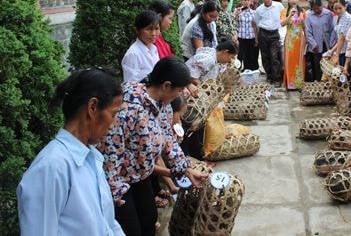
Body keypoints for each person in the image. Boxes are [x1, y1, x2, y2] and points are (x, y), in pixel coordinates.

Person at [100, 56, 208, 236]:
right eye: (179, 90)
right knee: (131, 229)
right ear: (166, 86)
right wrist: (114, 191)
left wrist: (187, 170)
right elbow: (112, 150)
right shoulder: (128, 107)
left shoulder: (163, 105)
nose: (180, 94)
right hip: (121, 180)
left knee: (149, 219)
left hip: (141, 176)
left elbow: (168, 139)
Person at [17, 68, 125, 236]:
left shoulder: (91, 158)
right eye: (113, 114)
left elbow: (107, 224)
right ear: (93, 107)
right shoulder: (51, 168)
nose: (113, 124)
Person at [182, 40, 239, 159]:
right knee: (192, 127)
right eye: (231, 57)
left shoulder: (215, 59)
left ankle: (197, 153)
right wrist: (205, 87)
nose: (230, 61)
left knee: (199, 126)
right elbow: (190, 75)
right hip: (191, 96)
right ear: (225, 52)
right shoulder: (208, 59)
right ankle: (191, 156)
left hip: (199, 96)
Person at [255, 0, 284, 87]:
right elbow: (257, 23)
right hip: (263, 34)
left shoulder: (279, 6)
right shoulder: (259, 9)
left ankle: (277, 78)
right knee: (265, 56)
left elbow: (283, 18)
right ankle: (269, 76)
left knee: (274, 57)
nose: (266, 0)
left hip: (274, 34)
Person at [122, 10, 160, 83]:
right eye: (149, 29)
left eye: (156, 29)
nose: (154, 33)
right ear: (137, 30)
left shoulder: (154, 48)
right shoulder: (133, 54)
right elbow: (131, 86)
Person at [305, 0, 336, 81]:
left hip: (327, 43)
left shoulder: (328, 14)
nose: (316, 10)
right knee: (316, 65)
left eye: (318, 8)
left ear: (321, 6)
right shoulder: (309, 15)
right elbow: (308, 32)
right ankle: (318, 82)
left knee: (328, 64)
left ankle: (327, 82)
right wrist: (314, 44)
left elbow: (332, 29)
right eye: (314, 9)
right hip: (315, 45)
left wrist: (331, 43)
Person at [280, 0, 307, 89]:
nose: (294, 0)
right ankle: (290, 84)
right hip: (290, 40)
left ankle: (299, 84)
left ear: (298, 0)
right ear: (288, 0)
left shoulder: (303, 11)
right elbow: (282, 24)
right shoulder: (284, 11)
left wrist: (307, 38)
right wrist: (289, 15)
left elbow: (305, 27)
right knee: (289, 60)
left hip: (300, 40)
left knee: (299, 61)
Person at [235, 0, 259, 71]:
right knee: (240, 55)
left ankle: (249, 71)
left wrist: (256, 39)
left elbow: (255, 26)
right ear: (241, 1)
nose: (246, 2)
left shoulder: (254, 12)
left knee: (250, 55)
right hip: (241, 37)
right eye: (244, 0)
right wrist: (237, 14)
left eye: (248, 0)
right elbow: (234, 23)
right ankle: (236, 72)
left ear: (251, 2)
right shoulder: (237, 11)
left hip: (251, 37)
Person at [328, 0, 351, 67]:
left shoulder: (348, 18)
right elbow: (339, 38)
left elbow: (342, 38)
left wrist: (336, 55)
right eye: (335, 9)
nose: (338, 11)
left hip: (347, 51)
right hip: (340, 50)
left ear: (345, 7)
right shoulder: (335, 18)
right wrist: (332, 51)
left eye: (340, 8)